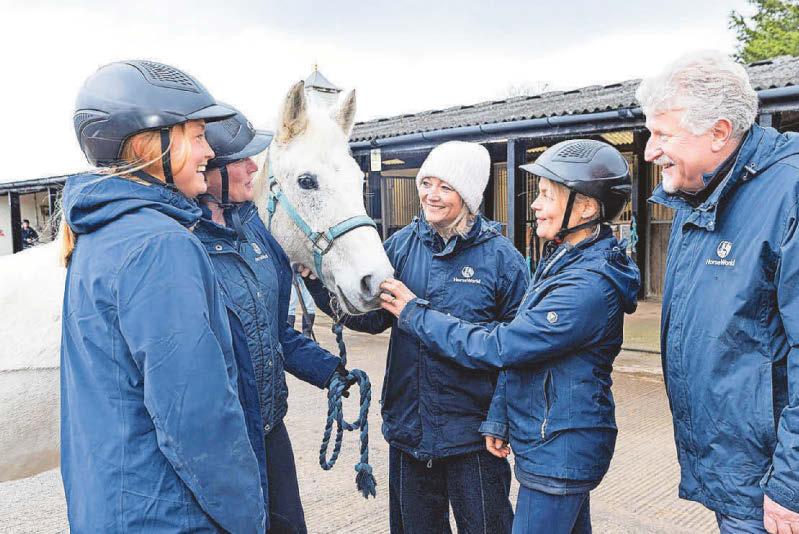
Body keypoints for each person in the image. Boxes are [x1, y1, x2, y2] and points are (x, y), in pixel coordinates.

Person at [636, 51, 799, 533]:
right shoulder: (702, 194)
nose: (650, 151)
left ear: (719, 131)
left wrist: (794, 486)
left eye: (663, 135)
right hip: (732, 465)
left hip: (771, 476)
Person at [379, 139, 640, 534]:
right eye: (426, 182)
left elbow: (503, 346)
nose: (533, 205)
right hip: (448, 434)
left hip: (545, 444)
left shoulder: (580, 284)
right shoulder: (562, 262)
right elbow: (368, 313)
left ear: (585, 208)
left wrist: (416, 313)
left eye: (545, 196)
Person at [60, 60, 265, 532]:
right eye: (196, 135)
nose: (209, 152)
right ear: (152, 145)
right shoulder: (161, 245)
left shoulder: (99, 234)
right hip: (169, 515)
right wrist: (247, 519)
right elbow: (196, 418)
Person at [301, 141, 528, 533]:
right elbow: (371, 320)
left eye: (445, 186)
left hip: (472, 439)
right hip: (409, 433)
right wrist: (318, 284)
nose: (431, 195)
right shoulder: (403, 247)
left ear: (469, 195)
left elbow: (516, 354)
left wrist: (500, 420)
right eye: (426, 183)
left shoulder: (502, 261)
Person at [194, 109, 343, 533]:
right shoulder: (183, 244)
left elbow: (277, 333)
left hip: (270, 426)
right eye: (240, 159)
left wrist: (329, 370)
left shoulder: (259, 234)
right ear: (211, 169)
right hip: (224, 443)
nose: (253, 167)